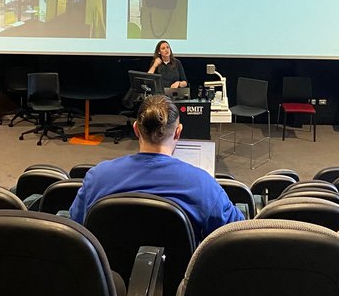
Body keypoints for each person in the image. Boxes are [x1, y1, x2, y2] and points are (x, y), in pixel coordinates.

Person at [69, 94, 242, 239]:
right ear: (178, 132)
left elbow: (76, 227)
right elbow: (235, 232)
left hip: (108, 270)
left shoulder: (97, 177)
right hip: (179, 271)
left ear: (136, 129)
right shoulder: (203, 185)